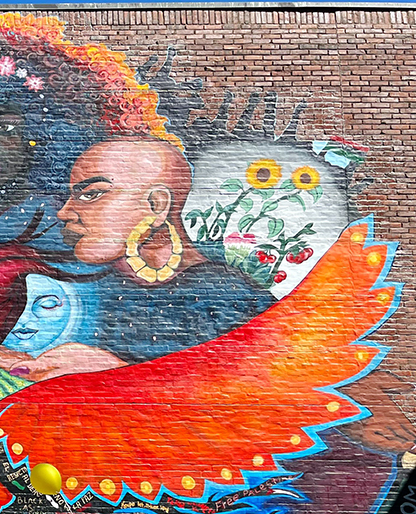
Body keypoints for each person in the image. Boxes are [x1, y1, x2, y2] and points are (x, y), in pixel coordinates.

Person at [57, 137, 275, 364]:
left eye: (90, 194)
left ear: (156, 205)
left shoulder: (230, 297)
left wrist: (117, 372)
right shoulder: (89, 289)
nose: (64, 212)